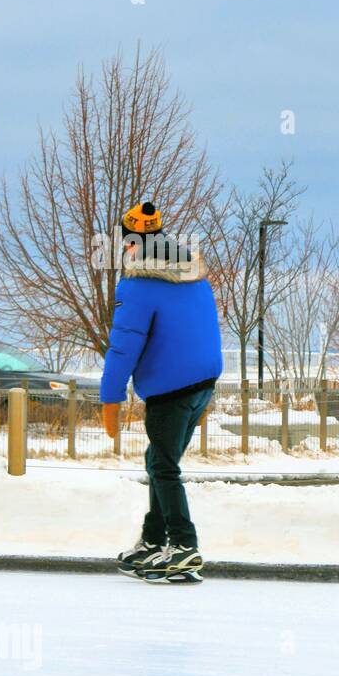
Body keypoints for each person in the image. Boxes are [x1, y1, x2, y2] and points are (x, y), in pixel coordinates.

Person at [101, 202, 223, 582]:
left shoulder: (138, 284)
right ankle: (155, 540)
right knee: (159, 459)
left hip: (171, 387)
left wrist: (110, 397)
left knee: (163, 466)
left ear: (132, 242)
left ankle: (184, 546)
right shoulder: (192, 275)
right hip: (203, 382)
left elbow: (124, 344)